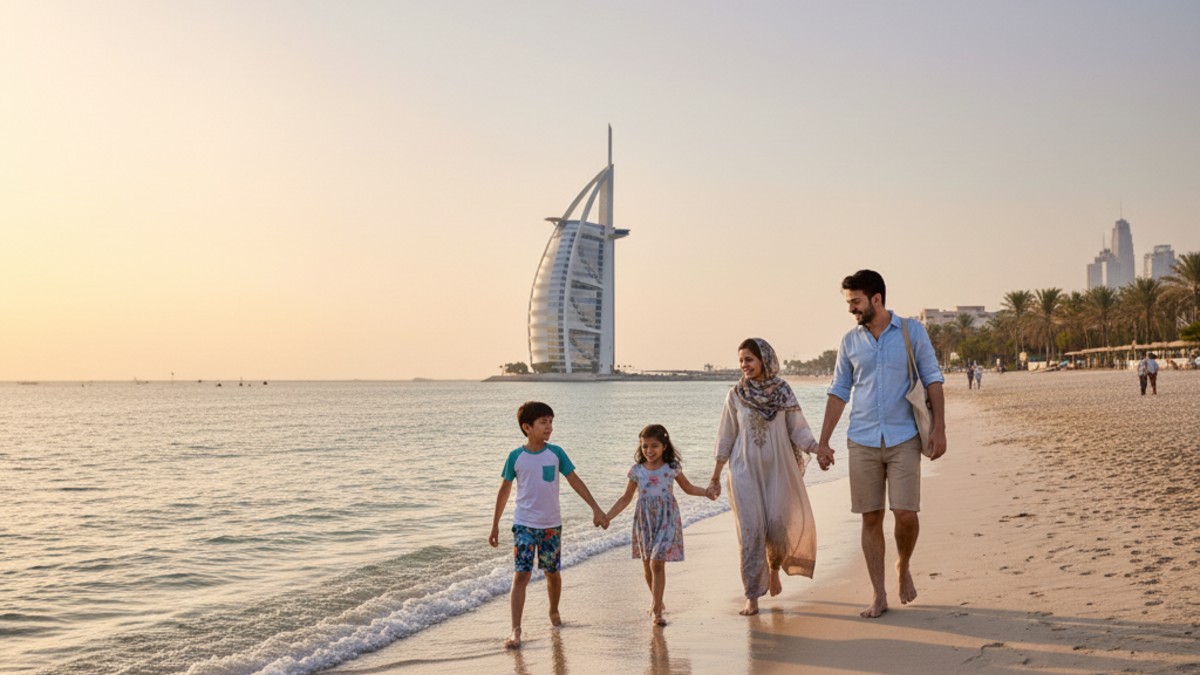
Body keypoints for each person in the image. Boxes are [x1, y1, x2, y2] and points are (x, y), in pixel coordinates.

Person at [817, 270, 946, 619]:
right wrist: (824, 441)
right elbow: (839, 390)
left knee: (905, 514)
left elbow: (933, 378)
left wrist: (940, 430)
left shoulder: (911, 331)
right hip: (862, 439)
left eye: (855, 302)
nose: (851, 309)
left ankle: (903, 565)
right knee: (870, 517)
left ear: (876, 299)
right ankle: (879, 594)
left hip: (904, 436)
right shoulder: (849, 342)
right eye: (849, 303)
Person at [706, 337, 819, 616]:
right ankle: (752, 595)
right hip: (744, 472)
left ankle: (774, 568)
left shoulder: (783, 391)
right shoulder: (736, 394)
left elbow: (798, 428)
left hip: (777, 470)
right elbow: (726, 435)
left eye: (749, 359)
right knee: (751, 532)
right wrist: (716, 475)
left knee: (777, 527)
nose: (744, 365)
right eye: (741, 360)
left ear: (764, 360)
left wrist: (817, 449)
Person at [489, 401, 609, 649]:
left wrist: (596, 508)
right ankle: (516, 630)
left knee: (551, 572)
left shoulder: (556, 453)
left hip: (551, 525)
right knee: (521, 574)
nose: (549, 427)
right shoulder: (515, 457)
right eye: (543, 422)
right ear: (527, 427)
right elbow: (504, 491)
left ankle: (553, 610)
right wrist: (495, 525)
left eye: (551, 422)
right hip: (523, 524)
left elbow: (575, 480)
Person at [605, 424, 715, 626]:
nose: (649, 450)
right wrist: (607, 516)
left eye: (654, 446)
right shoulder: (637, 471)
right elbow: (625, 498)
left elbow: (688, 488)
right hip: (645, 521)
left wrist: (706, 492)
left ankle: (657, 612)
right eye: (645, 446)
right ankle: (657, 600)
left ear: (664, 446)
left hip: (667, 518)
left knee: (657, 562)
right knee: (647, 566)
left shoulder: (671, 468)